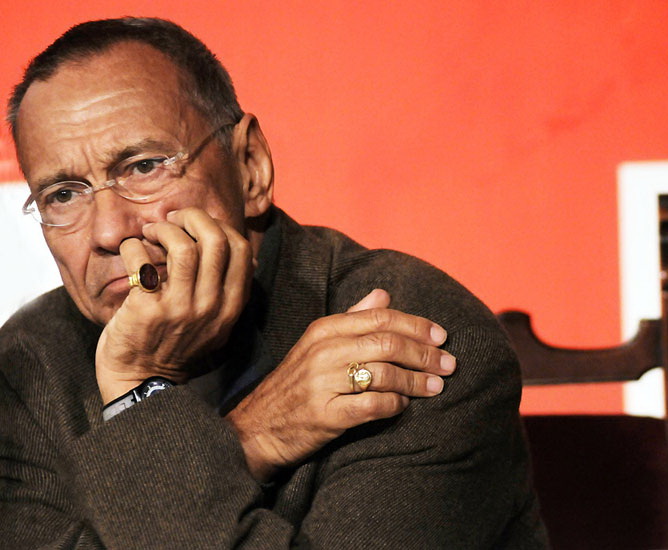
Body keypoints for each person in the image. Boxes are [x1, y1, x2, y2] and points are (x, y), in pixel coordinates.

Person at [0, 17, 547, 549]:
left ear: (250, 167)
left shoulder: (402, 333)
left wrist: (140, 401)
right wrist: (242, 435)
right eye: (62, 195)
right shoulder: (28, 365)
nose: (109, 232)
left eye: (144, 167)